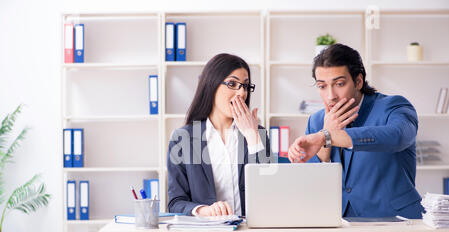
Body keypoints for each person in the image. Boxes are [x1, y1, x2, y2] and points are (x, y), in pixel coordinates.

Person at [288, 43, 423, 219]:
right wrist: (324, 142)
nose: (331, 95)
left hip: (396, 221)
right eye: (322, 86)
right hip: (339, 222)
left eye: (339, 84)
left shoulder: (393, 106)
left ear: (358, 81)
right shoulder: (316, 121)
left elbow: (397, 137)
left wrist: (326, 136)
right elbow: (316, 181)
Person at [167, 53, 271, 217]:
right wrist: (204, 210)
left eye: (245, 85)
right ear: (212, 85)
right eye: (232, 83)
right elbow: (176, 202)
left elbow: (269, 191)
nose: (242, 93)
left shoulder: (259, 134)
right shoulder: (183, 138)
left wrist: (252, 137)